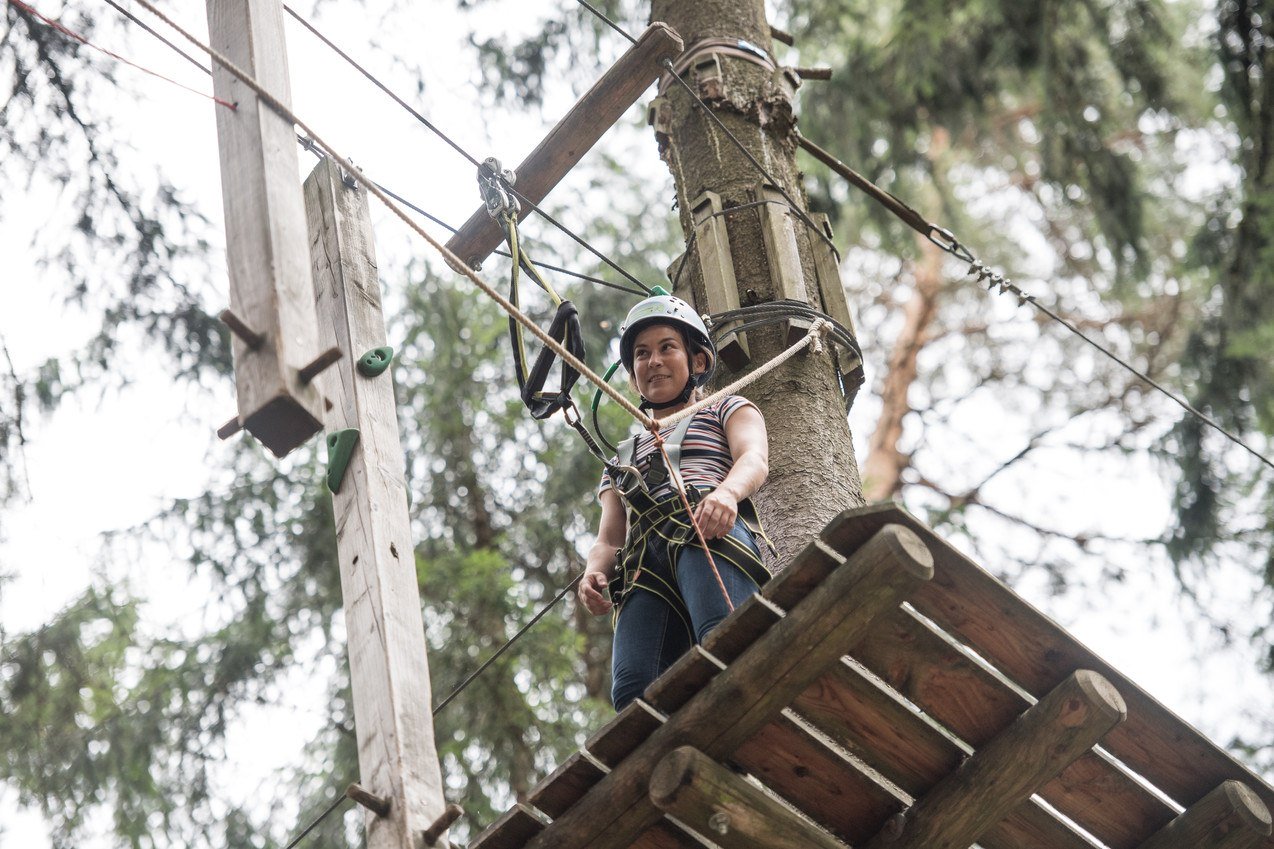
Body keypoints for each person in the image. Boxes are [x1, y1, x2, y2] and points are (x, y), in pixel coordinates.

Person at [578, 294, 772, 710]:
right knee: (632, 688)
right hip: (644, 560)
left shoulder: (726, 407)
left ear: (697, 362)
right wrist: (595, 572)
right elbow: (610, 536)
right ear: (633, 378)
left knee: (723, 636)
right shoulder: (621, 459)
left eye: (667, 347)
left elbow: (753, 459)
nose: (654, 361)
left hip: (704, 525)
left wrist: (726, 494)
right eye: (642, 354)